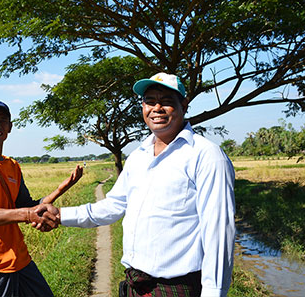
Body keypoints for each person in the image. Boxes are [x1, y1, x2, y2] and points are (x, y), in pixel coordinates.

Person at [59, 73, 236, 297]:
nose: (157, 108)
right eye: (150, 101)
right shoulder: (138, 156)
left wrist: (214, 293)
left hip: (176, 288)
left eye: (167, 101)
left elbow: (219, 232)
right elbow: (112, 206)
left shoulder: (206, 155)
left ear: (184, 105)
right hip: (135, 284)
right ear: (142, 107)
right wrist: (59, 215)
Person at [0, 99, 82, 297]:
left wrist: (59, 190)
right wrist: (29, 214)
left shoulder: (12, 166)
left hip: (20, 260)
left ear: (10, 127)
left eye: (3, 120)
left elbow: (26, 206)